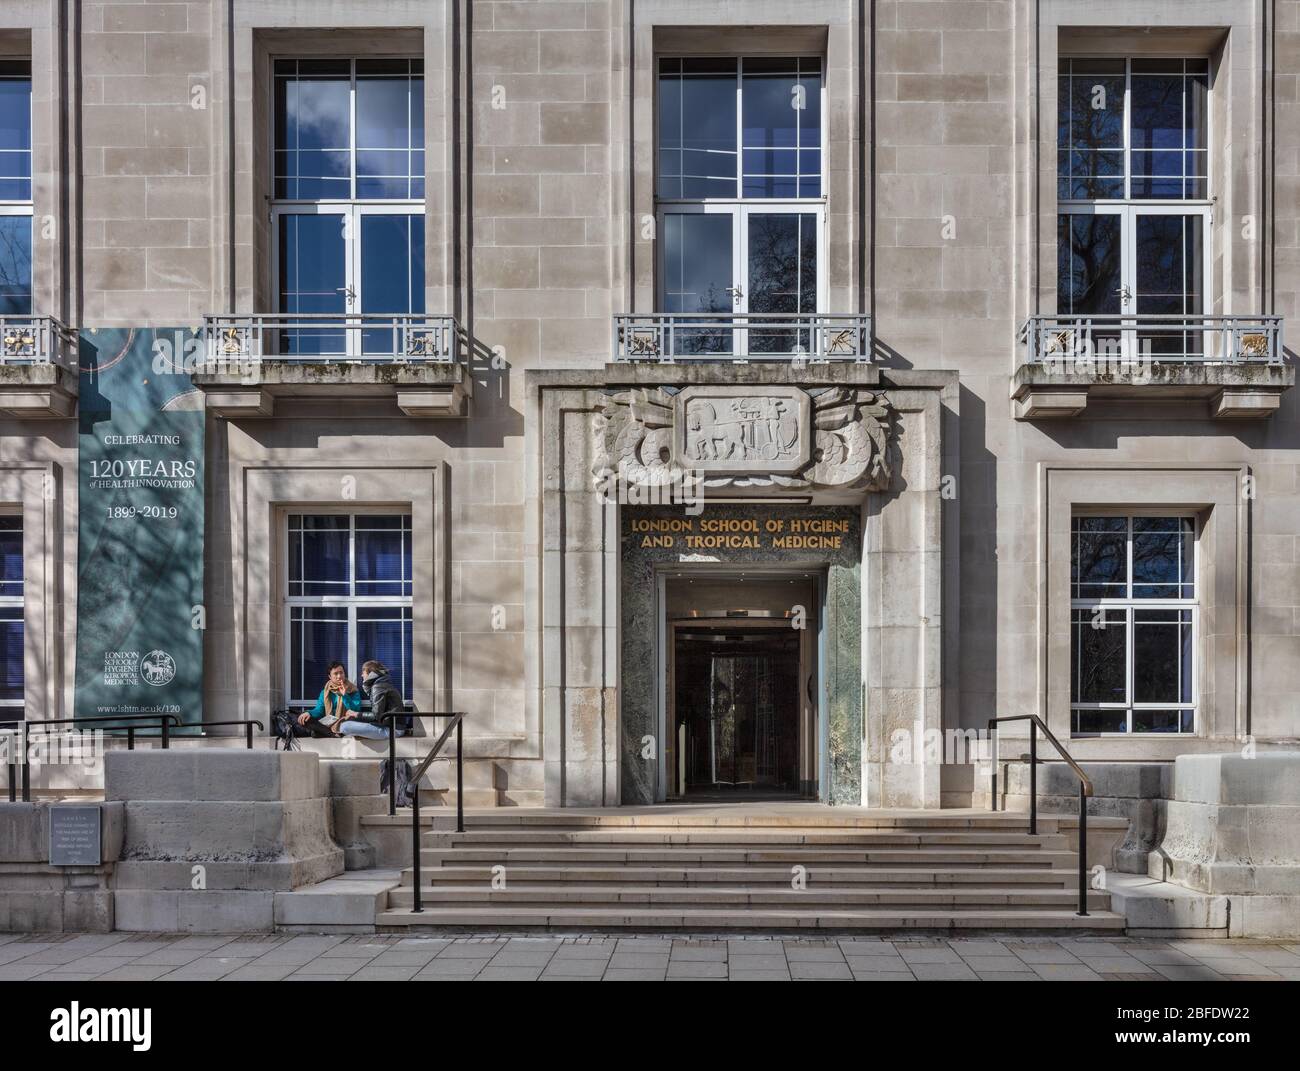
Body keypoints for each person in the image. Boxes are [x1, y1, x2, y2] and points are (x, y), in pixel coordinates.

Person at [337, 660, 407, 740]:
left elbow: (376, 716)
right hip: (393, 727)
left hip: (392, 730)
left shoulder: (378, 687)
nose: (362, 675)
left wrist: (355, 714)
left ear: (370, 673)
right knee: (353, 722)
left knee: (344, 726)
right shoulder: (382, 684)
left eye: (363, 672)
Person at [296, 661, 362, 736]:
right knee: (305, 718)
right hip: (328, 722)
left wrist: (344, 695)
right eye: (335, 673)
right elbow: (319, 710)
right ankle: (332, 734)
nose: (339, 676)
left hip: (344, 722)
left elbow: (356, 710)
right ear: (330, 676)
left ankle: (324, 732)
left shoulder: (353, 690)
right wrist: (309, 713)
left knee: (352, 720)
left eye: (341, 673)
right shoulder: (325, 692)